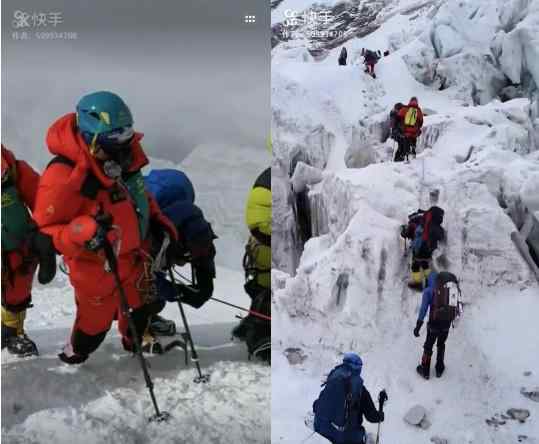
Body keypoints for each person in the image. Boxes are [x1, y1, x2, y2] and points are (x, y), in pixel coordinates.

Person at [33, 91, 178, 364]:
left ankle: (135, 340)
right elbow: (46, 230)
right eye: (116, 137)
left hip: (136, 256)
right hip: (95, 264)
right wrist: (83, 231)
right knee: (93, 328)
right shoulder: (62, 175)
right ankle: (76, 349)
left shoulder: (123, 157)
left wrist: (159, 222)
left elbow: (140, 195)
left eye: (126, 134)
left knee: (143, 307)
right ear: (92, 137)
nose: (124, 143)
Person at [142, 168, 217, 350]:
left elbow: (204, 248)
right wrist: (175, 292)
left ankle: (146, 318)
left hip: (166, 197)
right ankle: (138, 326)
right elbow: (144, 277)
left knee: (155, 294)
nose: (183, 262)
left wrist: (205, 284)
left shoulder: (191, 226)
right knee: (146, 294)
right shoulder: (151, 233)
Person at [1, 146, 57, 357]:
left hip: (19, 247)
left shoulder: (17, 170)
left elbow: (44, 202)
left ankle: (12, 331)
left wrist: (44, 236)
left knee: (17, 289)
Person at [232, 165, 271, 362]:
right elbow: (259, 223)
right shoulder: (270, 179)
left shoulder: (268, 176)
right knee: (267, 290)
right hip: (267, 249)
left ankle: (255, 328)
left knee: (263, 289)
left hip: (262, 249)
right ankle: (260, 337)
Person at [313, 353, 387, 444]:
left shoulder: (333, 379)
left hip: (322, 429)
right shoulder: (360, 389)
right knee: (361, 435)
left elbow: (316, 405)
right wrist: (381, 415)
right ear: (358, 369)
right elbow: (372, 417)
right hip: (346, 437)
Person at [414, 271, 461, 379]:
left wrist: (418, 325)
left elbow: (423, 309)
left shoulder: (428, 291)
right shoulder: (446, 288)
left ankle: (425, 370)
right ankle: (439, 368)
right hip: (446, 323)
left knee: (428, 346)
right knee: (441, 344)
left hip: (434, 324)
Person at [405, 206, 445, 289]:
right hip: (430, 249)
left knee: (415, 265)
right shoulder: (435, 225)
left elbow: (408, 233)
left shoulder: (420, 223)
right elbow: (441, 236)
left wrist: (405, 232)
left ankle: (417, 283)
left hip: (420, 249)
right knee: (425, 264)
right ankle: (429, 282)